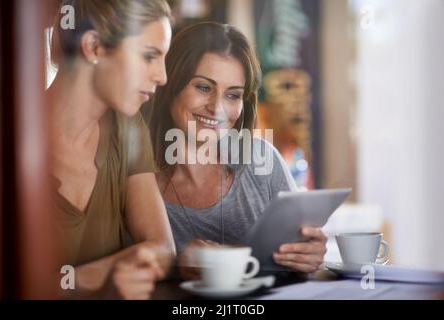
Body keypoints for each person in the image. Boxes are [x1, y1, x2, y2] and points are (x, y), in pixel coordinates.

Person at [144, 22, 327, 280]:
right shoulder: (135, 180)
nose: (217, 108)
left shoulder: (263, 161)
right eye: (203, 87)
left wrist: (309, 256)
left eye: (232, 95)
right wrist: (176, 267)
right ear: (170, 82)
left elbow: (301, 265)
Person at [47, 0, 175, 299]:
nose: (162, 76)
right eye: (149, 56)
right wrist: (95, 280)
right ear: (93, 47)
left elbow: (163, 249)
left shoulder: (127, 128)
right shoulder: (10, 141)